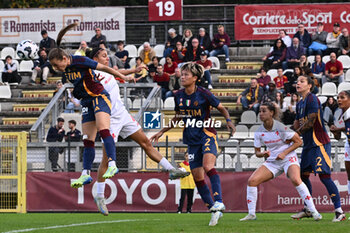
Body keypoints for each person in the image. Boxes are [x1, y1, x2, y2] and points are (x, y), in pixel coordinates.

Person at [88, 48, 189, 215]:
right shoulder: (90, 74)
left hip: (122, 114)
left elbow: (118, 71)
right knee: (106, 159)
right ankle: (99, 196)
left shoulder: (108, 71)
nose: (107, 58)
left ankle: (171, 170)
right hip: (108, 118)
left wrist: (133, 71)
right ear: (94, 59)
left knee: (145, 142)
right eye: (103, 56)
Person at [150, 62, 236, 226]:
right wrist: (163, 131)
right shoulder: (177, 95)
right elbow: (178, 117)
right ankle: (213, 209)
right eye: (182, 74)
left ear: (195, 78)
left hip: (206, 134)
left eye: (186, 75)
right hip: (191, 138)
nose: (182, 77)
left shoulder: (204, 94)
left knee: (208, 166)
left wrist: (229, 121)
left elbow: (222, 108)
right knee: (197, 177)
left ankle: (218, 200)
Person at [48, 23, 132, 188]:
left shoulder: (81, 60)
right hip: (87, 101)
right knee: (88, 140)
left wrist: (125, 77)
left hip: (99, 96)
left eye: (58, 65)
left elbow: (105, 68)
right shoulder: (65, 68)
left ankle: (113, 165)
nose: (56, 69)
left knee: (103, 129)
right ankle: (85, 174)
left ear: (65, 58)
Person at [240, 102, 321, 221]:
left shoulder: (281, 128)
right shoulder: (258, 131)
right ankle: (251, 214)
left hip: (288, 158)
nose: (260, 114)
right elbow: (257, 152)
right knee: (252, 181)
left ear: (271, 113)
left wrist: (284, 153)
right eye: (260, 111)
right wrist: (262, 153)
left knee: (296, 179)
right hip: (273, 161)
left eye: (264, 111)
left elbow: (298, 142)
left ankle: (314, 212)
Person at [292, 75, 345, 222]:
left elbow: (311, 120)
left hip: (320, 143)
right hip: (308, 145)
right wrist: (284, 133)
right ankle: (308, 208)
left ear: (310, 85)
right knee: (303, 176)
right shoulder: (299, 103)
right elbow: (297, 124)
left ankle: (339, 212)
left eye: (302, 81)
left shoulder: (312, 98)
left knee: (324, 176)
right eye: (297, 82)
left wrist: (295, 134)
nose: (298, 83)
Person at [330, 91, 350, 197]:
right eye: (338, 98)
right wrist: (336, 130)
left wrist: (339, 129)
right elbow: (337, 138)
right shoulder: (340, 114)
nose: (339, 100)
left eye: (342, 97)